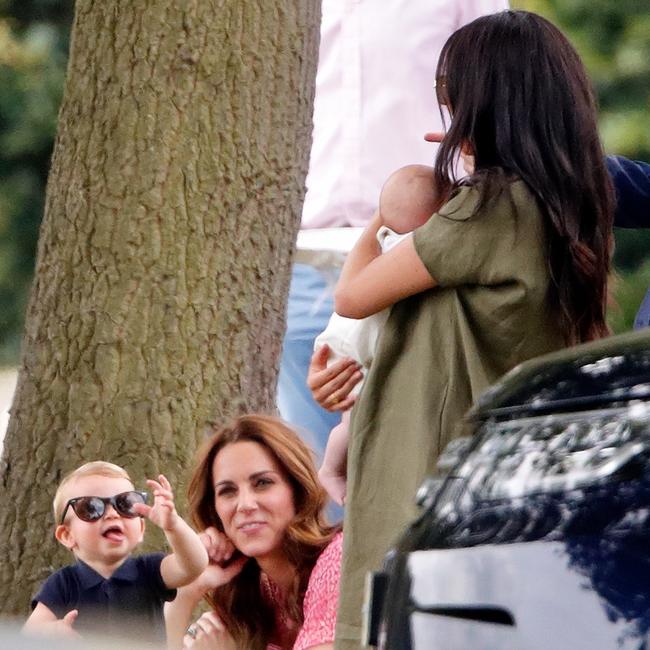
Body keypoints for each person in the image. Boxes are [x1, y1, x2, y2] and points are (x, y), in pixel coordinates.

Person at [308, 11, 615, 648]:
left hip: (430, 477)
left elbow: (354, 293)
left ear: (481, 110)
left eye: (452, 106)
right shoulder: (568, 209)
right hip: (500, 484)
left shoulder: (486, 209)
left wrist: (388, 207)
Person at [277, 0, 509, 459]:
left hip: (420, 248)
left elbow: (499, 87)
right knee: (313, 468)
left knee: (414, 447)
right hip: (300, 254)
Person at [314, 165, 441, 505]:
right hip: (365, 343)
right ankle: (331, 470)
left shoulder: (381, 242)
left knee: (347, 422)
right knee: (351, 420)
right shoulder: (422, 247)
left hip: (343, 340)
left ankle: (330, 468)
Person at [164, 415, 342, 650]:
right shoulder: (247, 594)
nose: (245, 504)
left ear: (297, 491)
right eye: (228, 491)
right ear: (215, 510)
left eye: (262, 483)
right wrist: (187, 591)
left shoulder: (337, 558)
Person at [23, 461, 208, 645]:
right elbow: (29, 634)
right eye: (91, 507)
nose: (112, 514)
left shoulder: (150, 570)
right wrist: (53, 631)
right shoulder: (63, 583)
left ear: (141, 528)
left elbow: (195, 564)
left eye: (125, 504)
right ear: (67, 535)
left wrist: (173, 525)